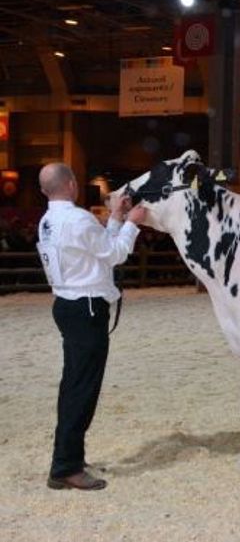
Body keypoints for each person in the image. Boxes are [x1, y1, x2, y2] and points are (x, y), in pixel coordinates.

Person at [37, 162, 146, 490]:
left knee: (73, 384)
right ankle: (66, 467)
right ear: (71, 184)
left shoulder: (48, 221)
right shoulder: (79, 218)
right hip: (85, 307)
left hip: (67, 304)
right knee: (82, 388)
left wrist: (115, 217)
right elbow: (115, 254)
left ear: (44, 190)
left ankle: (68, 457)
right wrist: (132, 223)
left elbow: (97, 250)